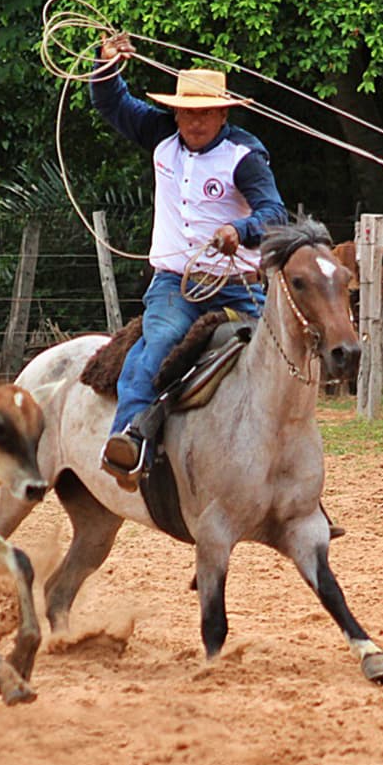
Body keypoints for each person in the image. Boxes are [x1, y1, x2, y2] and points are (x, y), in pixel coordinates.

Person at [91, 34, 288, 488]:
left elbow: (274, 211)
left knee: (282, 363)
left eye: (204, 113)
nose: (194, 121)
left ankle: (293, 473)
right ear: (176, 111)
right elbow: (114, 104)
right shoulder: (163, 134)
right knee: (157, 341)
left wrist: (239, 230)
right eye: (187, 112)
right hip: (175, 283)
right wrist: (106, 66)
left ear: (222, 114)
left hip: (240, 284)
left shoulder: (244, 156)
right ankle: (129, 440)